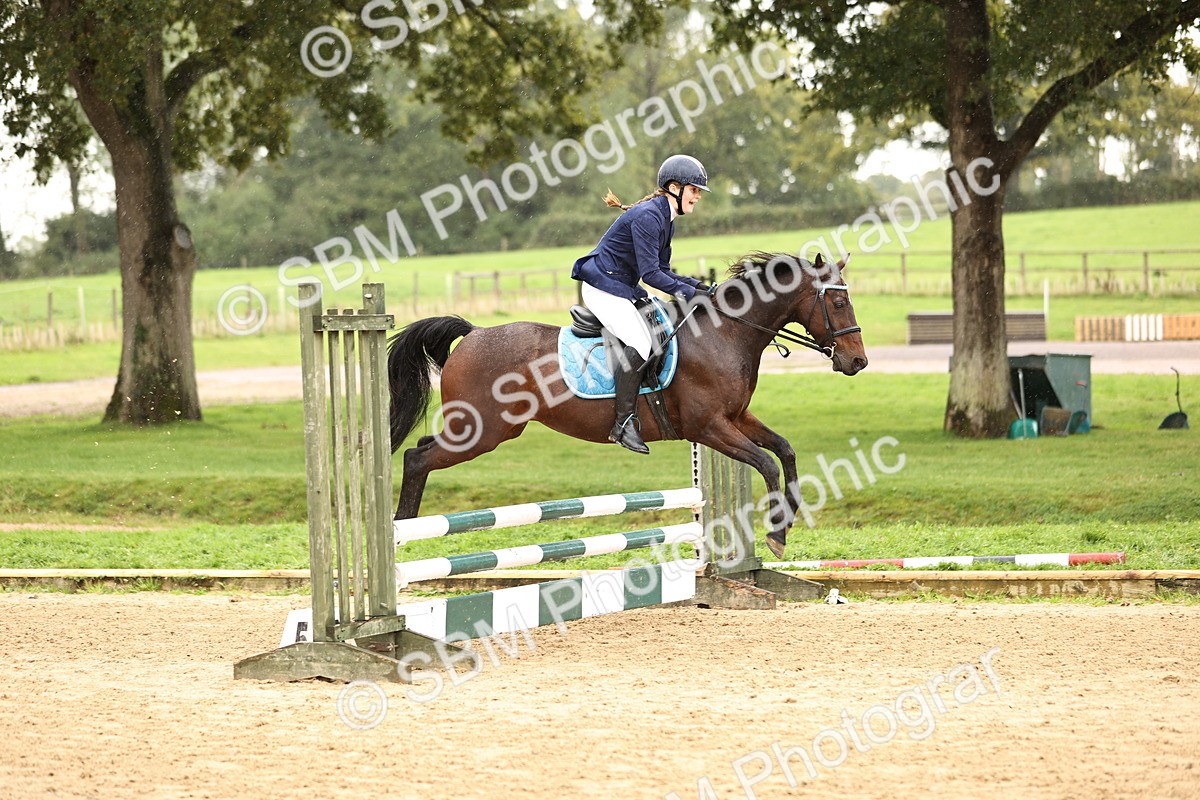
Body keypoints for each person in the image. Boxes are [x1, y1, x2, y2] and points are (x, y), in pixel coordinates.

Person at [571, 154, 717, 455]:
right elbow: (651, 274)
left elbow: (663, 271)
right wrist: (688, 294)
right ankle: (623, 424)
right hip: (603, 287)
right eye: (694, 190)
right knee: (640, 340)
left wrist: (699, 287)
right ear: (674, 188)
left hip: (621, 286)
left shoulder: (665, 219)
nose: (698, 197)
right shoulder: (649, 216)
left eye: (699, 192)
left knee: (661, 324)